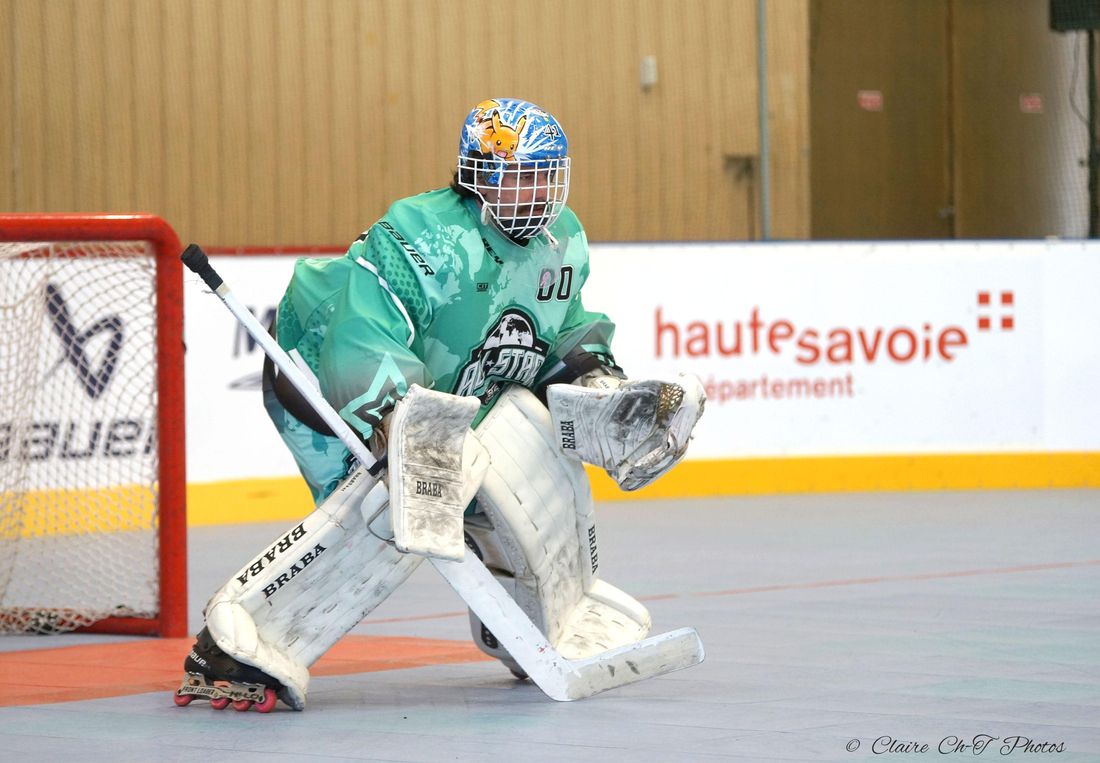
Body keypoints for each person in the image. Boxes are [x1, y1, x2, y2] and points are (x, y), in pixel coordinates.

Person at [175, 98, 705, 712]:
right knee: (396, 504)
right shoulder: (423, 236)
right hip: (321, 372)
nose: (538, 192)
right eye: (521, 176)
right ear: (479, 175)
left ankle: (541, 625)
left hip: (451, 388)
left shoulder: (561, 240)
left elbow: (562, 331)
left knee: (526, 458)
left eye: (547, 176)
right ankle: (237, 642)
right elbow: (360, 336)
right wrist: (399, 424)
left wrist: (597, 387)